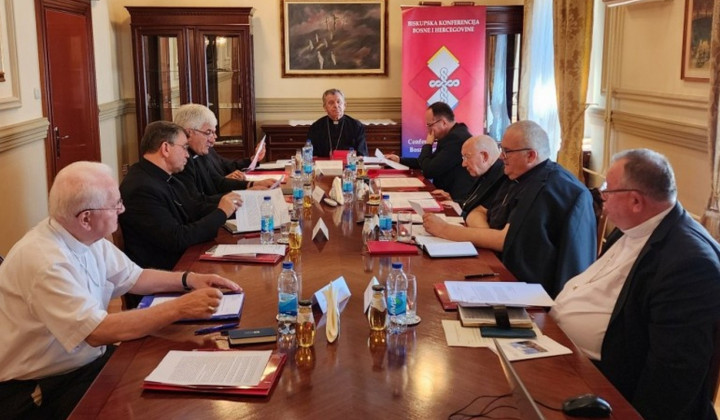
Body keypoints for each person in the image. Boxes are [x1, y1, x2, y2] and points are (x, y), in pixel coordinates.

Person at [0, 161, 242, 419]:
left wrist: (189, 279)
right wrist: (180, 307)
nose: (122, 209)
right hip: (42, 388)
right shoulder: (45, 261)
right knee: (159, 401)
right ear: (86, 217)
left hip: (85, 364)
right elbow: (96, 332)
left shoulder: (84, 236)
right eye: (115, 205)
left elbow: (135, 277)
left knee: (178, 368)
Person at [551, 149, 720, 420]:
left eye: (608, 189)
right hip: (567, 358)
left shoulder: (689, 264)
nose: (602, 195)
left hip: (607, 391)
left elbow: (673, 376)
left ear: (636, 201)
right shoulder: (632, 227)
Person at [423, 120, 596, 297]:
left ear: (530, 156)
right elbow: (479, 211)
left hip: (527, 289)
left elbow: (505, 239)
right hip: (498, 267)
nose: (500, 157)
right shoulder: (516, 175)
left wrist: (444, 230)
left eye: (507, 151)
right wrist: (487, 235)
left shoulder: (547, 188)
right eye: (501, 149)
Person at [120, 120, 242, 273]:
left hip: (185, 259)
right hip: (166, 273)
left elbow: (195, 207)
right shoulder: (141, 188)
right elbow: (177, 239)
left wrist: (236, 207)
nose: (187, 154)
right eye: (184, 147)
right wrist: (221, 213)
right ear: (165, 148)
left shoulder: (166, 176)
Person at [173, 104, 273, 204]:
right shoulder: (181, 161)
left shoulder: (202, 150)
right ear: (189, 133)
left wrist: (252, 184)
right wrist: (245, 194)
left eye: (214, 132)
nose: (213, 139)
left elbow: (218, 181)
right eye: (209, 132)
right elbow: (197, 203)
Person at [386, 102, 476, 203]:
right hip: (445, 193)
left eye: (430, 125)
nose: (428, 130)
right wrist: (399, 160)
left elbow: (429, 171)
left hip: (455, 199)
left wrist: (428, 144)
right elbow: (427, 162)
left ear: (443, 122)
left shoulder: (456, 139)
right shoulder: (451, 134)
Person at [430, 135, 506, 218]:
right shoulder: (486, 172)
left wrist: (462, 214)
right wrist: (452, 200)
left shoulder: (501, 180)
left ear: (484, 156)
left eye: (467, 157)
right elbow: (471, 204)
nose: (463, 164)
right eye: (463, 158)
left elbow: (489, 222)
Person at [306, 88, 368, 157]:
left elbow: (362, 155)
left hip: (349, 166)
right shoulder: (316, 127)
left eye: (339, 102)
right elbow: (311, 155)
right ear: (325, 107)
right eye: (331, 103)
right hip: (322, 167)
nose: (336, 105)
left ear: (344, 105)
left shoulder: (356, 126)